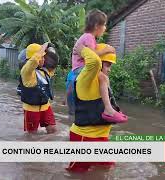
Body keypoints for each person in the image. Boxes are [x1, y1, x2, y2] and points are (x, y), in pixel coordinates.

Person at [67, 43, 127, 172]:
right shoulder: (85, 79)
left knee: (107, 167)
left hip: (101, 136)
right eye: (108, 65)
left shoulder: (103, 81)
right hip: (84, 137)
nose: (110, 69)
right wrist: (81, 49)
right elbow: (93, 61)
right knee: (77, 173)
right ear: (99, 63)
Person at [68, 9, 127, 123]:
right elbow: (93, 55)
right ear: (96, 26)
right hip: (80, 69)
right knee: (103, 78)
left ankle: (111, 105)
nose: (105, 28)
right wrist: (106, 49)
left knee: (104, 79)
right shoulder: (89, 37)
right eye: (104, 25)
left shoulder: (88, 37)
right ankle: (109, 108)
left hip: (83, 68)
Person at [19, 43, 59, 134]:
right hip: (31, 109)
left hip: (45, 106)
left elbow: (54, 65)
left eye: (44, 57)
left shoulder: (45, 71)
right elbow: (33, 60)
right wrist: (43, 47)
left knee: (53, 130)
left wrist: (50, 50)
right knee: (32, 135)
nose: (43, 59)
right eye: (42, 57)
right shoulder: (26, 71)